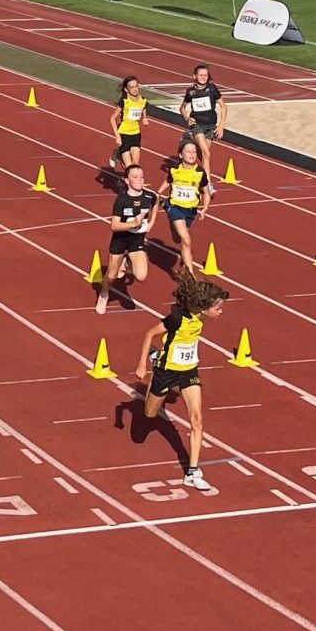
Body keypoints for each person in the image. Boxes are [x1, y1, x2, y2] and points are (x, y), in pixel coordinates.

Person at [131, 265, 232, 493]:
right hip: (166, 371)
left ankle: (193, 472)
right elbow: (149, 333)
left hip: (188, 370)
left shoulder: (201, 317)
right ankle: (156, 358)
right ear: (204, 308)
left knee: (197, 420)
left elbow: (197, 289)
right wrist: (141, 364)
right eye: (217, 308)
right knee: (149, 415)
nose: (220, 312)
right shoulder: (176, 319)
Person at [95, 162, 159, 315]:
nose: (140, 180)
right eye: (135, 177)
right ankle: (103, 295)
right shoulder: (122, 200)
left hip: (136, 242)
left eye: (142, 177)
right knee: (111, 275)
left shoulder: (149, 196)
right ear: (127, 180)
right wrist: (133, 223)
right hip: (120, 240)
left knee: (141, 276)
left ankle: (127, 260)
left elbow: (156, 202)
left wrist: (151, 222)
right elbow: (114, 226)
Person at [159, 137, 213, 254]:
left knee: (178, 239)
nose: (192, 154)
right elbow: (168, 180)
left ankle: (183, 265)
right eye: (188, 151)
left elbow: (206, 192)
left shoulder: (200, 172)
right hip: (175, 206)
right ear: (180, 154)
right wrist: (158, 193)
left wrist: (205, 208)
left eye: (194, 152)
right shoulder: (174, 169)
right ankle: (188, 270)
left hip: (190, 209)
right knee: (186, 240)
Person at [179, 63, 229, 169]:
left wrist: (221, 126)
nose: (203, 77)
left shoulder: (212, 89)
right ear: (195, 76)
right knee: (207, 154)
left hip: (211, 125)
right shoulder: (191, 92)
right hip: (197, 125)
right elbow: (182, 108)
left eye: (205, 75)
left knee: (202, 155)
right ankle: (207, 184)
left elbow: (223, 106)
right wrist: (187, 118)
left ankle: (190, 139)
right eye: (201, 75)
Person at [106, 74, 147, 174]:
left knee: (135, 164)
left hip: (135, 134)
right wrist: (117, 137)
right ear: (126, 90)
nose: (135, 89)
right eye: (132, 87)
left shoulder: (143, 100)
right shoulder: (124, 101)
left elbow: (143, 110)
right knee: (128, 167)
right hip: (123, 133)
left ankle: (130, 183)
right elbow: (112, 118)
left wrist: (145, 119)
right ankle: (117, 153)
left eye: (136, 86)